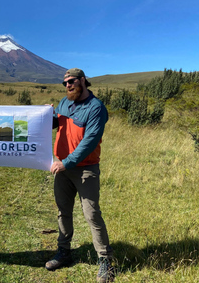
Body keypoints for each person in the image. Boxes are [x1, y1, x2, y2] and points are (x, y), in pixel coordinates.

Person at [46, 68, 115, 283]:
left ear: (83, 81)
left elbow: (89, 142)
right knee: (63, 212)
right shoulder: (64, 103)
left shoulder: (96, 108)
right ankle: (63, 252)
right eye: (65, 82)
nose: (68, 85)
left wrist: (66, 163)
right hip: (63, 169)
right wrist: (47, 117)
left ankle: (105, 262)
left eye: (72, 81)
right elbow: (55, 125)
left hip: (85, 169)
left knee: (92, 215)